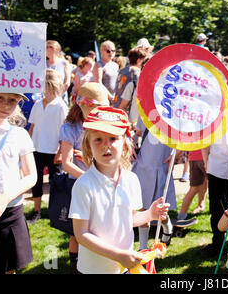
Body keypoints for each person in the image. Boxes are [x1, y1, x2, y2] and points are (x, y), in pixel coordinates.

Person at [69, 106, 170, 274]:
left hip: (123, 268)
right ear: (88, 145)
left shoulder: (131, 180)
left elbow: (129, 219)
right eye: (98, 139)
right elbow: (81, 234)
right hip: (92, 270)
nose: (105, 145)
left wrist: (150, 214)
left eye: (112, 138)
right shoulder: (84, 185)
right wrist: (118, 255)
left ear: (124, 143)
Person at [0, 92, 37, 274]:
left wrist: (5, 198)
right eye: (0, 98)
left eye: (12, 100)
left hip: (10, 212)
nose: (6, 105)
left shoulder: (19, 134)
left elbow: (31, 176)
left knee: (8, 268)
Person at [58, 82, 110, 273]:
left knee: (99, 227)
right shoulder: (70, 128)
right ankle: (75, 265)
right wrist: (90, 177)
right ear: (82, 106)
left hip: (103, 183)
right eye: (95, 108)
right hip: (79, 184)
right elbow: (66, 163)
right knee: (77, 231)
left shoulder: (104, 124)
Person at [200, 69, 228, 257]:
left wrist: (205, 161)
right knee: (224, 205)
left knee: (218, 207)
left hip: (219, 163)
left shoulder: (218, 108)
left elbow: (206, 139)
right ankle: (220, 242)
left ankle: (217, 245)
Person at [27, 69, 68, 224]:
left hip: (53, 150)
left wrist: (60, 151)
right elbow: (32, 127)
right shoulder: (37, 104)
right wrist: (28, 146)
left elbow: (64, 131)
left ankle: (54, 210)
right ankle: (36, 210)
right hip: (36, 148)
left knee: (55, 182)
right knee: (35, 180)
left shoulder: (61, 106)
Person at [132, 116, 178, 250]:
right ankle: (143, 247)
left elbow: (182, 138)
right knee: (142, 208)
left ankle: (167, 226)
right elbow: (138, 133)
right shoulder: (145, 112)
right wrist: (129, 144)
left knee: (160, 209)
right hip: (143, 166)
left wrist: (178, 152)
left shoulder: (174, 115)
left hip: (161, 166)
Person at [117, 47, 148, 119]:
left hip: (118, 104)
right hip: (128, 109)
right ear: (138, 60)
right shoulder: (136, 72)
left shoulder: (122, 70)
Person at [177, 149, 207, 221]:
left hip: (194, 158)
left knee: (202, 184)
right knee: (195, 188)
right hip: (203, 158)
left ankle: (200, 205)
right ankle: (181, 216)